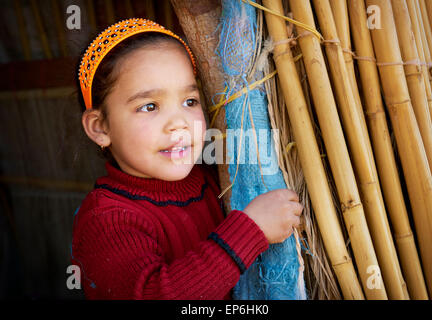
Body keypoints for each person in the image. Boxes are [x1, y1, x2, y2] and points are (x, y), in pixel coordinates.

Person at [71, 18, 303, 300]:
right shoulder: (108, 221)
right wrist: (250, 230)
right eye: (149, 106)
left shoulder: (216, 178)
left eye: (189, 102)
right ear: (100, 127)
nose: (179, 123)